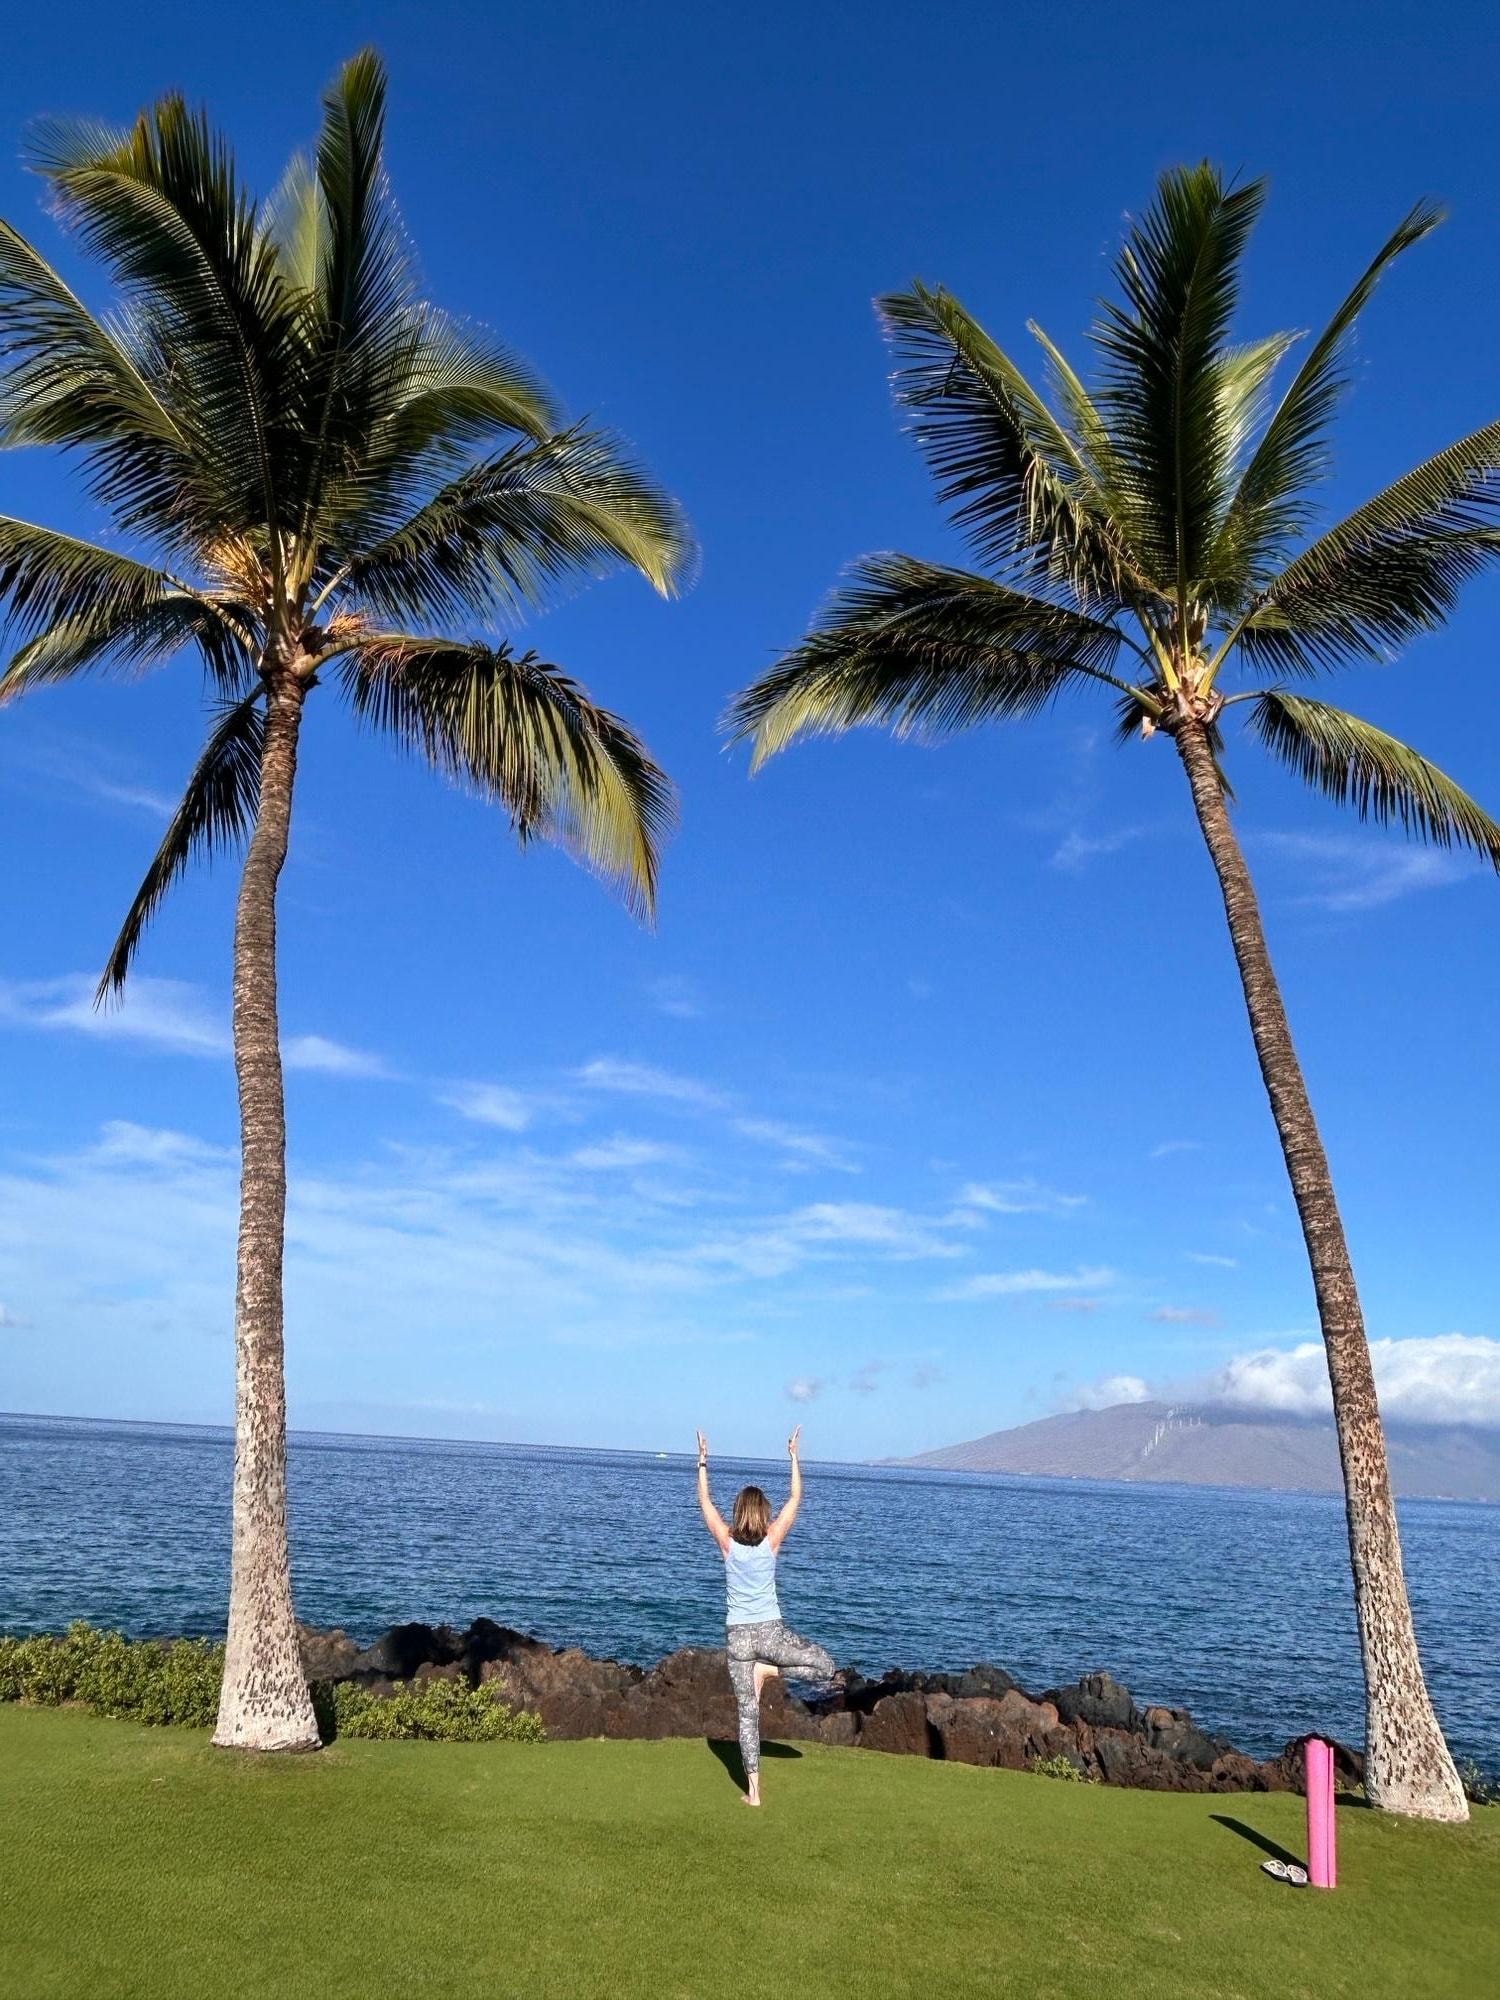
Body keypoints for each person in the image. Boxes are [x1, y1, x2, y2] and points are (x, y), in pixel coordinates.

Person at [695, 1423, 836, 1807]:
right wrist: (793, 1457)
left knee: (747, 1714)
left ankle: (754, 1793)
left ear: (739, 1512)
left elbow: (704, 1505)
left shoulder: (726, 1543)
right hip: (770, 1633)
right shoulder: (772, 1540)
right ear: (763, 1513)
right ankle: (769, 1671)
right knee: (825, 1667)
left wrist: (703, 1464)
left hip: (738, 1639)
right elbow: (796, 1498)